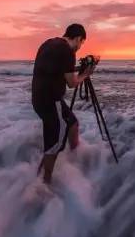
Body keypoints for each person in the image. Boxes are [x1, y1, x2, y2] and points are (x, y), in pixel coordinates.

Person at [31, 23, 95, 184]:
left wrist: (77, 69)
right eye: (81, 43)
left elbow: (56, 68)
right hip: (51, 102)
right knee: (53, 144)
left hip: (39, 99)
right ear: (79, 38)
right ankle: (44, 182)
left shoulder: (49, 43)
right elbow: (72, 83)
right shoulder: (67, 51)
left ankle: (74, 159)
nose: (79, 48)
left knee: (73, 124)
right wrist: (85, 74)